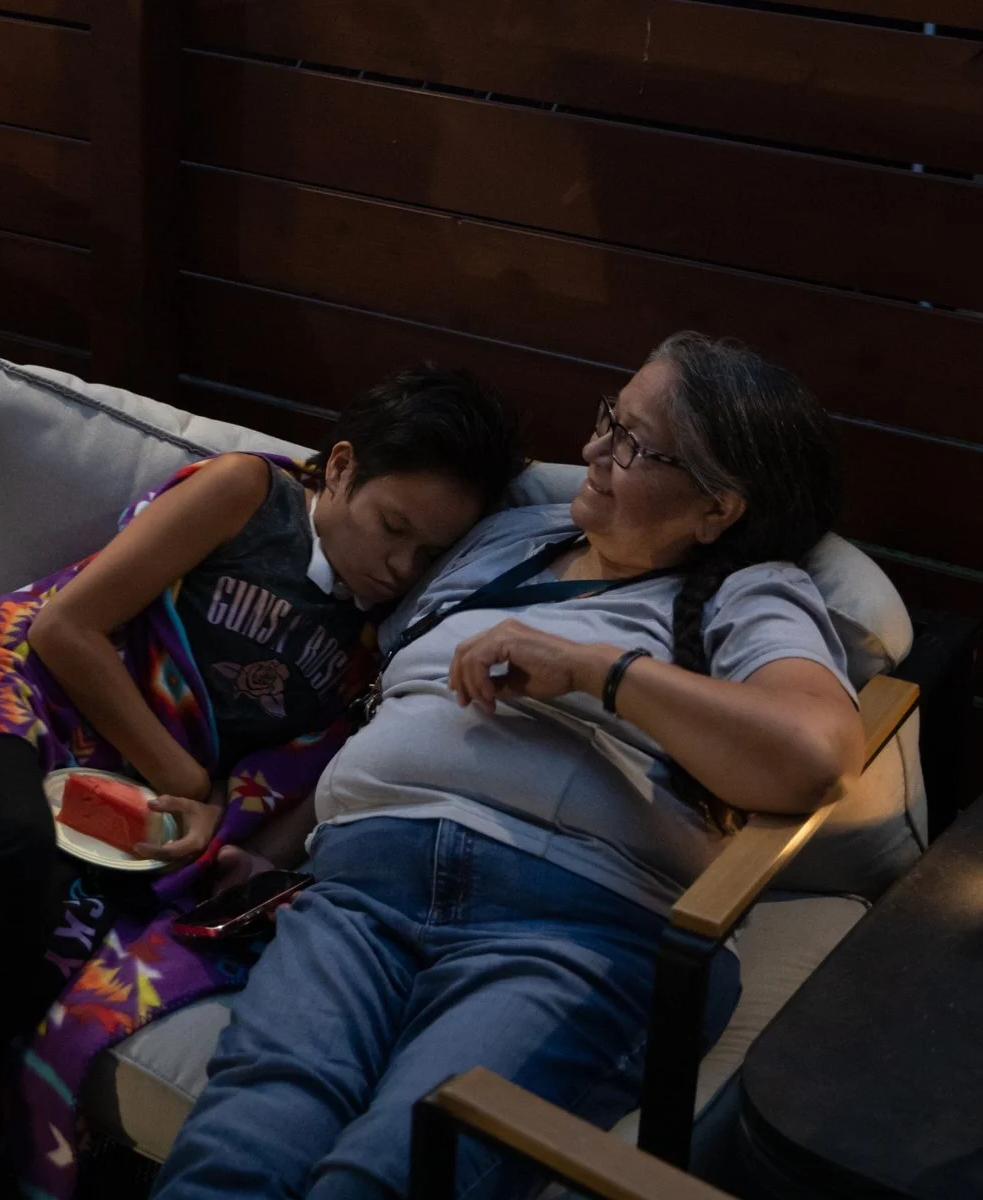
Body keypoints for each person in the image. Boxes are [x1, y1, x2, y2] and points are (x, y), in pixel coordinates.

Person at [151, 333, 866, 1200]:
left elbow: (812, 754)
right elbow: (390, 706)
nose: (595, 451)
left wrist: (600, 672)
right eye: (612, 417)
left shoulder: (747, 592)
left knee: (390, 1171)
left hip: (566, 927)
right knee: (241, 1144)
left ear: (715, 510)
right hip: (358, 894)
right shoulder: (503, 537)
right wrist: (275, 849)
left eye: (634, 445)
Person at [0, 368, 522, 1199]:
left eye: (429, 553)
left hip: (128, 790)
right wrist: (186, 778)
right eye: (394, 527)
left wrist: (249, 856)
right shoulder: (249, 493)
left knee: (52, 949)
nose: (400, 564)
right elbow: (69, 627)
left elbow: (312, 768)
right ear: (342, 468)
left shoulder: (378, 636)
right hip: (11, 685)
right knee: (4, 845)